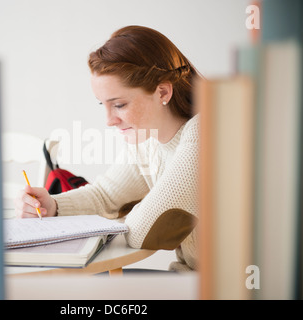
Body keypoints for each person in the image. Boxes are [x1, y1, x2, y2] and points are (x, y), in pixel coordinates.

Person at [14, 25, 201, 272]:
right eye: (103, 105)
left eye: (120, 104)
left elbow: (143, 231)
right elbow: (105, 196)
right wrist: (53, 205)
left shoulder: (204, 132)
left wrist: (124, 218)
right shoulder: (149, 142)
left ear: (163, 92)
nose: (109, 120)